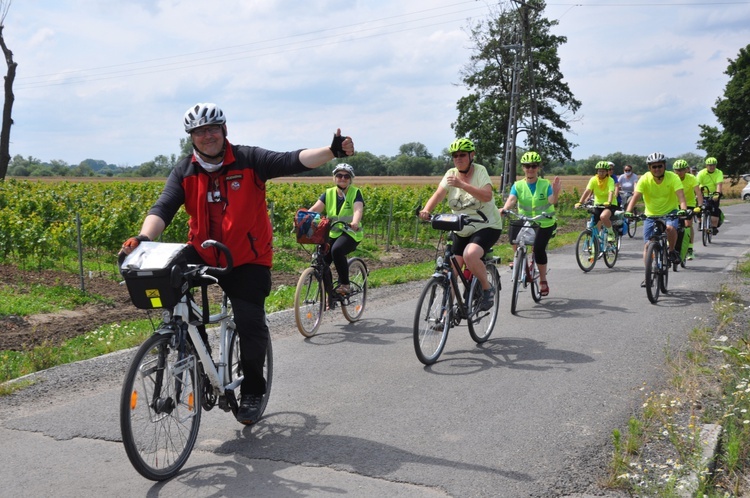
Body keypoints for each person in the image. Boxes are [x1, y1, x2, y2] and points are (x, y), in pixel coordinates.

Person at [120, 102, 354, 425]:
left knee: (249, 321)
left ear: (224, 130)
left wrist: (330, 151)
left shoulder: (248, 160)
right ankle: (191, 351)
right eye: (199, 132)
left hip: (248, 259)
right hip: (203, 252)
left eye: (213, 129)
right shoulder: (185, 170)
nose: (207, 136)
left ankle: (254, 390)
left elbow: (292, 160)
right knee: (169, 277)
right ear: (191, 137)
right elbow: (163, 208)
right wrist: (143, 239)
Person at [419, 138, 503, 310]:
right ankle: (444, 315)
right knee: (451, 271)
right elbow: (438, 194)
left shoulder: (480, 171)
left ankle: (487, 289)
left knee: (470, 255)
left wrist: (462, 185)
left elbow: (487, 196)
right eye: (455, 156)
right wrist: (426, 210)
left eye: (462, 155)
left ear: (472, 155)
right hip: (461, 227)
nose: (458, 158)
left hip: (486, 225)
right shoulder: (450, 174)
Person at [498, 151, 561, 297]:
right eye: (527, 166)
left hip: (544, 222)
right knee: (514, 234)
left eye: (533, 166)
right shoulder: (518, 185)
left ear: (538, 168)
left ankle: (543, 281)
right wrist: (505, 209)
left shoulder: (545, 184)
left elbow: (552, 201)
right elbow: (512, 199)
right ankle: (518, 258)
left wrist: (556, 193)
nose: (530, 169)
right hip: (526, 221)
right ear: (523, 168)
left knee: (538, 250)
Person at [624, 152, 687, 286]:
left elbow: (681, 196)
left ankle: (671, 251)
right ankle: (648, 275)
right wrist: (628, 211)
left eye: (659, 166)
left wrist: (683, 210)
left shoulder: (673, 177)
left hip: (670, 212)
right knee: (648, 245)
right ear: (649, 168)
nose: (657, 169)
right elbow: (636, 196)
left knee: (670, 228)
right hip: (650, 215)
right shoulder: (645, 179)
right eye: (654, 167)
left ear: (664, 166)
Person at [307, 163, 364, 298]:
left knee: (336, 250)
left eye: (346, 176)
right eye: (339, 175)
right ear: (334, 178)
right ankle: (330, 295)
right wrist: (303, 218)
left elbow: (358, 209)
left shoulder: (355, 192)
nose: (342, 178)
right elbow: (315, 209)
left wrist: (355, 222)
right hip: (333, 232)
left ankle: (345, 284)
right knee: (322, 262)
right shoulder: (328, 193)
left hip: (351, 232)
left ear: (350, 179)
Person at [575, 161, 617, 242]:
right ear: (596, 171)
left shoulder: (610, 180)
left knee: (603, 217)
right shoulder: (593, 179)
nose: (601, 173)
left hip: (610, 204)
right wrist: (580, 202)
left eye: (603, 171)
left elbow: (611, 192)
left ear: (607, 172)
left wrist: (609, 201)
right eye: (599, 171)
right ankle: (595, 244)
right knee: (595, 225)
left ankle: (611, 233)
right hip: (597, 204)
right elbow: (587, 190)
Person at [672, 159, 703, 260]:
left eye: (681, 170)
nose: (679, 172)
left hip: (689, 203)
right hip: (674, 204)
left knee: (687, 225)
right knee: (672, 225)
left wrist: (700, 205)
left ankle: (690, 249)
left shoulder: (691, 178)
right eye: (676, 170)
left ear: (686, 170)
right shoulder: (672, 178)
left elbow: (698, 193)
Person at [695, 156, 723, 234]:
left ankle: (714, 227)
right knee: (698, 207)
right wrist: (697, 194)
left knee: (715, 209)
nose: (712, 167)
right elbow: (696, 184)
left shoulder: (719, 172)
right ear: (706, 166)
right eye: (710, 165)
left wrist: (717, 194)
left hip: (714, 193)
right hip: (703, 192)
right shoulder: (701, 173)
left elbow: (719, 185)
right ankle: (700, 221)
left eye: (713, 165)